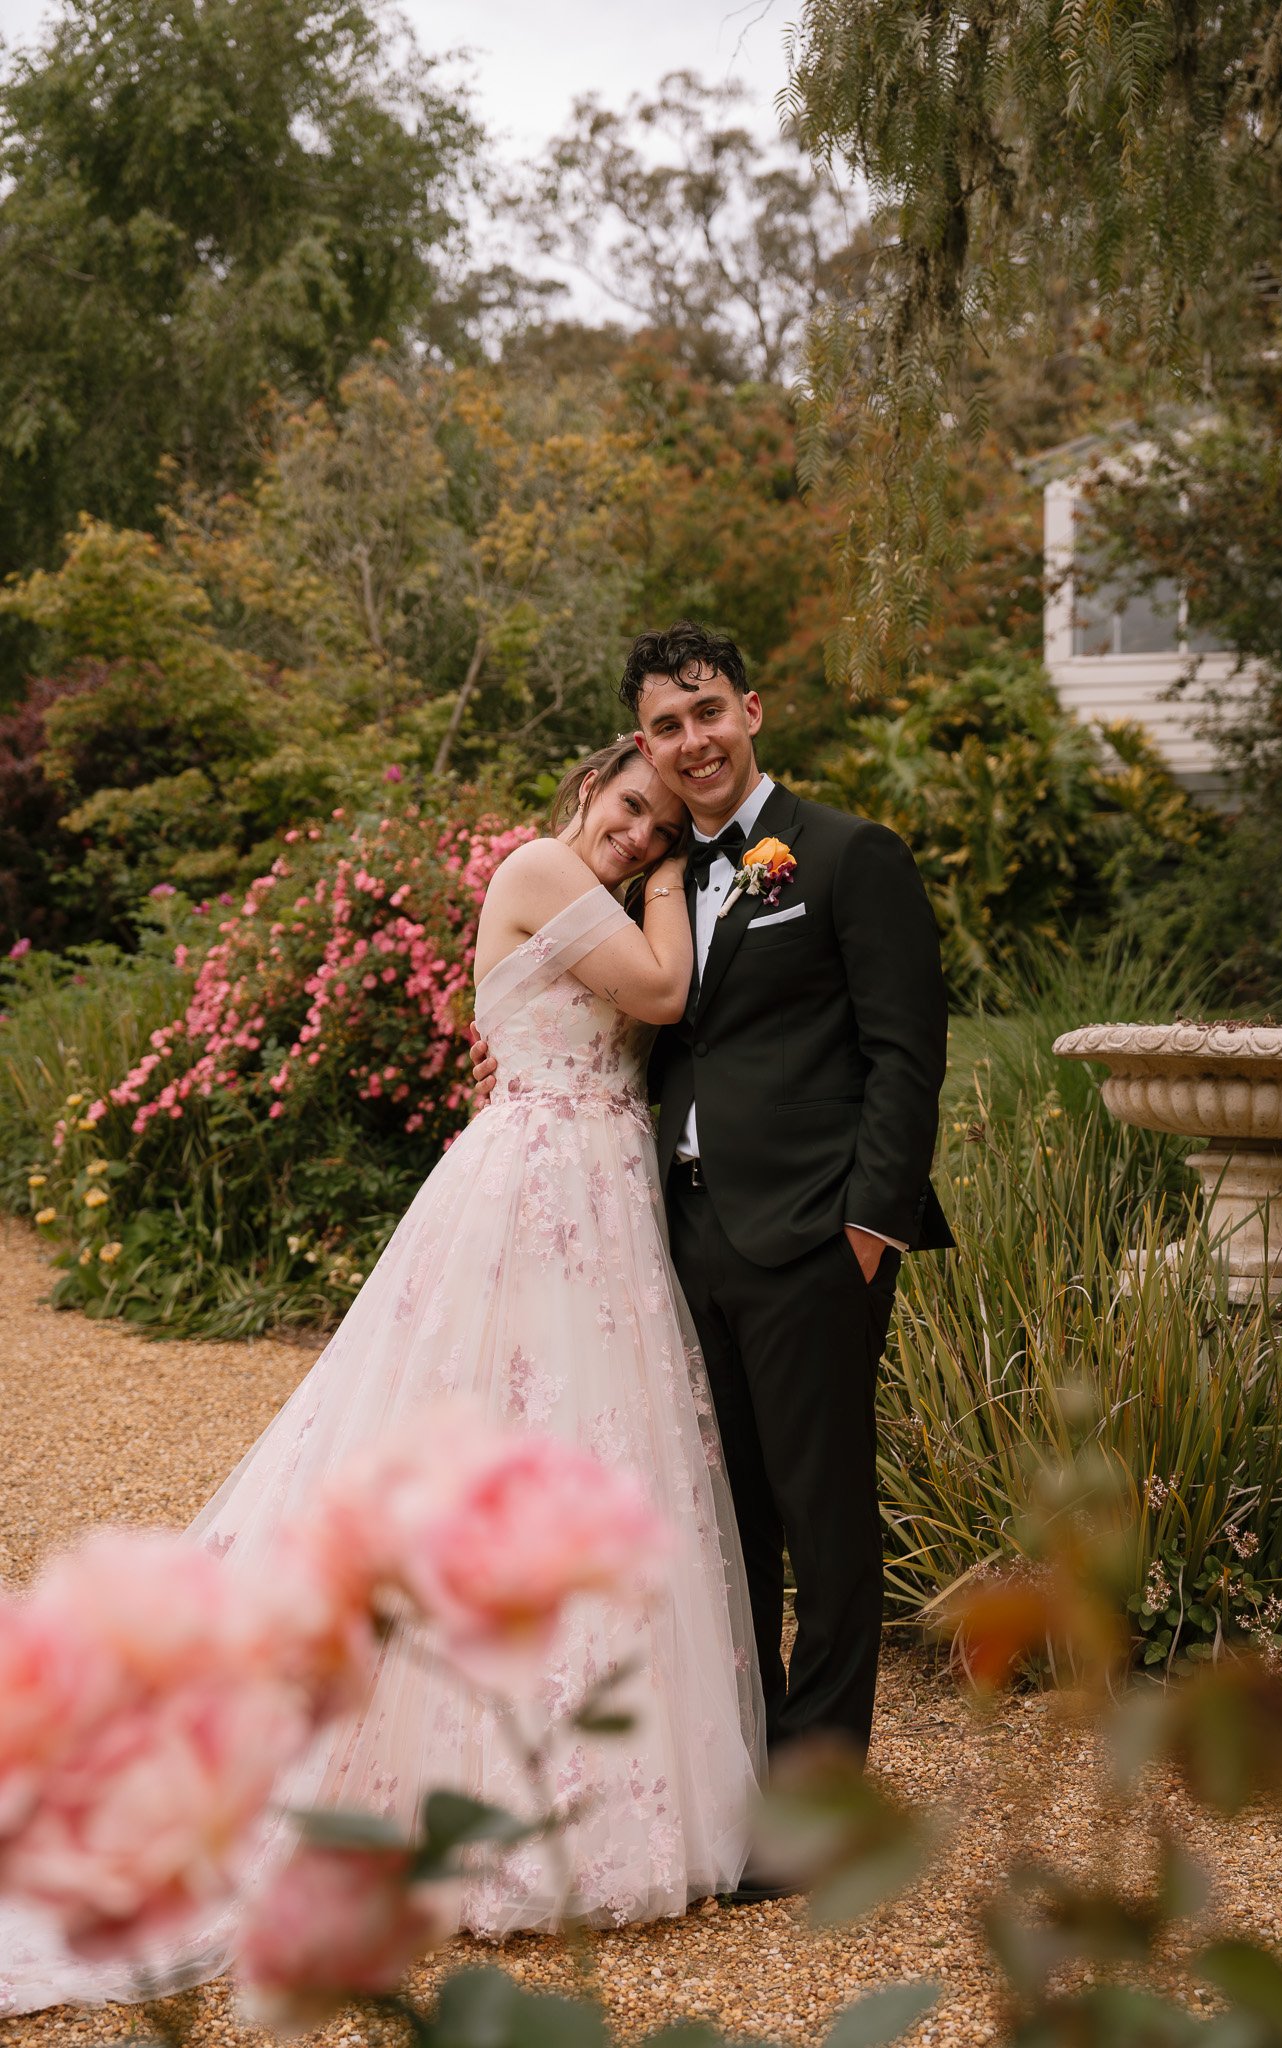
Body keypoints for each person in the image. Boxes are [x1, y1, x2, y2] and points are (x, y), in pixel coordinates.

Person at [0, 739, 762, 2017]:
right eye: (634, 809)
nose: (638, 835)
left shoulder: (574, 876)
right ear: (588, 787)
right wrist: (682, 874)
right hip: (538, 1190)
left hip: (599, 1189)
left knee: (592, 1446)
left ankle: (581, 1792)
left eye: (657, 829)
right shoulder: (539, 864)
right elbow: (658, 992)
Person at [474, 625, 950, 1901]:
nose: (693, 740)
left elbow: (907, 1054)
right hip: (672, 1242)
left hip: (812, 1240)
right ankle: (733, 1781)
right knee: (722, 1524)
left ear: (753, 706)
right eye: (667, 726)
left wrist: (870, 1225)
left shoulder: (849, 856)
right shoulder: (647, 876)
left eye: (708, 712)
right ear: (643, 745)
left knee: (825, 1517)